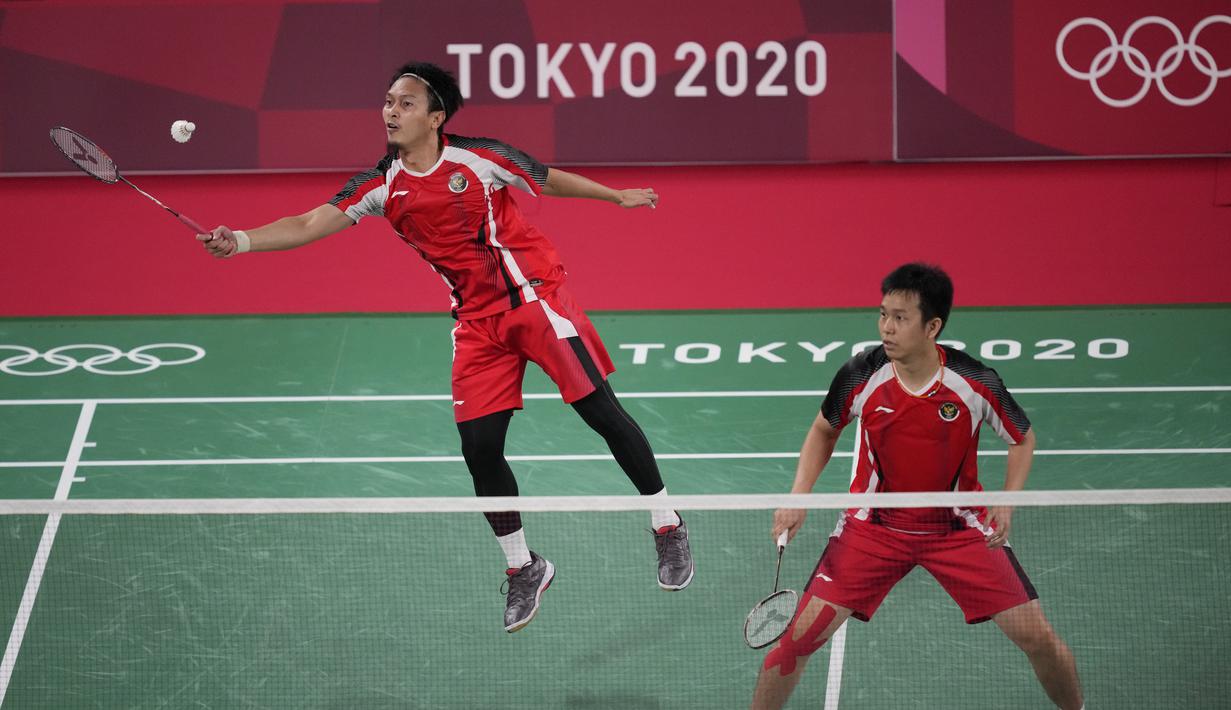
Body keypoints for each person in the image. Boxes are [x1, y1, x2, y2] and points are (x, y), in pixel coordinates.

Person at [197, 61, 694, 633]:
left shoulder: (477, 158)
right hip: (476, 323)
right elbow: (312, 221)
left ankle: (667, 524)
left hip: (534, 298)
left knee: (600, 411)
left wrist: (616, 197)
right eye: (387, 101)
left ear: (436, 118)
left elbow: (544, 176)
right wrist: (239, 242)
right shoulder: (382, 185)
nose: (391, 111)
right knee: (480, 449)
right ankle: (523, 567)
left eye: (405, 103)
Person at [750, 263, 1083, 709]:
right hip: (871, 532)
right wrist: (798, 496)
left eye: (900, 318)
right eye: (883, 314)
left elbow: (1022, 439)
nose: (886, 328)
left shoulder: (975, 382)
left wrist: (1007, 502)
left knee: (1038, 637)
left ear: (933, 326)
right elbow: (823, 430)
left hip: (959, 531)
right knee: (795, 643)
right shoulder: (861, 375)